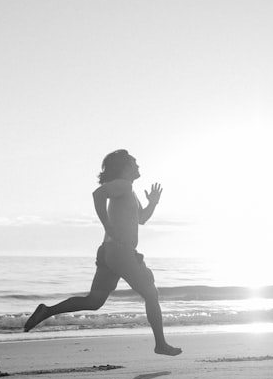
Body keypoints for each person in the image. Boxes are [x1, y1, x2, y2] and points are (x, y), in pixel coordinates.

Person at [24, 150, 182, 356]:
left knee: (94, 301)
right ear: (125, 167)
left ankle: (47, 311)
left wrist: (153, 203)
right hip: (121, 252)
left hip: (109, 252)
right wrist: (107, 225)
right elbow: (98, 194)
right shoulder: (122, 185)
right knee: (151, 294)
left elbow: (141, 218)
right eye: (134, 163)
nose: (138, 166)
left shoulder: (129, 191)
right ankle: (160, 344)